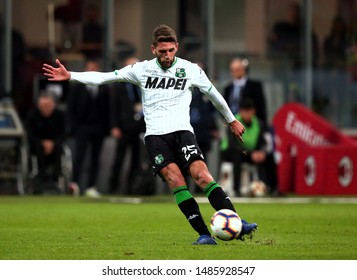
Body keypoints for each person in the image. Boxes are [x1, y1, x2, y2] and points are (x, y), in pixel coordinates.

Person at [42, 24, 257, 245]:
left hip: (183, 133)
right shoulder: (141, 69)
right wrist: (70, 76)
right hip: (156, 137)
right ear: (153, 49)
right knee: (175, 180)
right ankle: (204, 234)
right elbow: (105, 77)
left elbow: (214, 95)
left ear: (176, 47)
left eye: (171, 50)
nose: (167, 55)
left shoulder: (191, 70)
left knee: (202, 175)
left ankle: (238, 222)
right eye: (162, 51)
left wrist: (231, 120)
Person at [66, 58, 111, 197]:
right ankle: (75, 184)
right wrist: (73, 127)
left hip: (98, 128)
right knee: (79, 156)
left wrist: (107, 128)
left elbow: (108, 110)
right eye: (89, 68)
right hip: (82, 127)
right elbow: (71, 108)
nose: (92, 71)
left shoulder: (104, 88)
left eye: (94, 68)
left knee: (95, 158)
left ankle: (91, 186)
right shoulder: (77, 86)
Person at [220, 98, 277, 196]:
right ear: (240, 111)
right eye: (244, 111)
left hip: (250, 153)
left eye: (249, 111)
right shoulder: (233, 122)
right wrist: (251, 154)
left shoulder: (258, 123)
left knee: (270, 158)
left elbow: (263, 142)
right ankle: (236, 190)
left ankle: (273, 189)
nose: (247, 114)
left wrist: (262, 152)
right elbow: (232, 144)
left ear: (253, 111)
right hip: (232, 152)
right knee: (236, 157)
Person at [109, 57, 146, 194]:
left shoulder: (143, 85)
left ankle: (131, 188)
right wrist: (114, 126)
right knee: (119, 159)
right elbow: (113, 108)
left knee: (136, 161)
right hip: (124, 128)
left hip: (139, 128)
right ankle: (113, 187)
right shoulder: (119, 85)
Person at [25, 91, 65, 193]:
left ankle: (56, 177)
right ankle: (40, 177)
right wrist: (42, 143)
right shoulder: (32, 115)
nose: (45, 108)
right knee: (37, 148)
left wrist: (53, 143)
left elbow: (63, 133)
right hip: (37, 145)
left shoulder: (60, 116)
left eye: (48, 105)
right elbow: (30, 134)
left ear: (54, 105)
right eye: (42, 106)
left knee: (59, 148)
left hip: (55, 145)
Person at [223, 58, 267, 127]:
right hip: (233, 124)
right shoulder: (228, 88)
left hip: (251, 124)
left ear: (243, 70)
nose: (235, 72)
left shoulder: (255, 86)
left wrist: (264, 126)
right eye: (233, 70)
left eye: (237, 69)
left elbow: (261, 107)